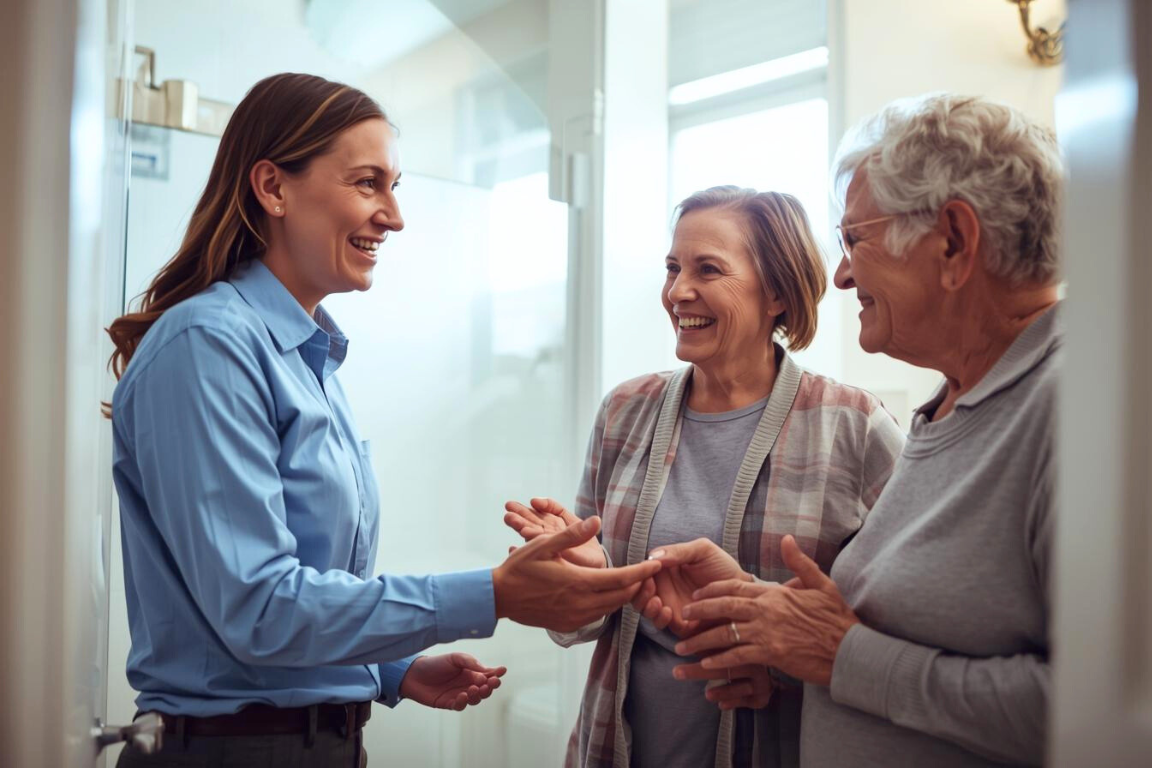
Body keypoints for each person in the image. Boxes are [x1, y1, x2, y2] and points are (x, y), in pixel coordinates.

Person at [107, 73, 660, 768]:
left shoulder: (310, 357)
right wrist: (494, 594)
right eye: (368, 183)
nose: (394, 215)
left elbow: (290, 592)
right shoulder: (210, 345)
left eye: (395, 187)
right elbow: (259, 609)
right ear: (273, 189)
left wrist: (387, 671)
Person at [671, 94, 1061, 767]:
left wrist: (840, 655)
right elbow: (893, 642)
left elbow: (1101, 708)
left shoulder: (1073, 408)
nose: (843, 272)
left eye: (855, 239)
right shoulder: (954, 406)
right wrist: (775, 630)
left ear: (954, 242)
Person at [505, 187, 905, 768]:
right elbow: (588, 623)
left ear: (776, 291)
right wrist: (582, 578)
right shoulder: (625, 409)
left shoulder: (854, 426)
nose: (677, 291)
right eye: (672, 268)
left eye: (707, 269)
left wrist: (783, 677)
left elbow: (892, 643)